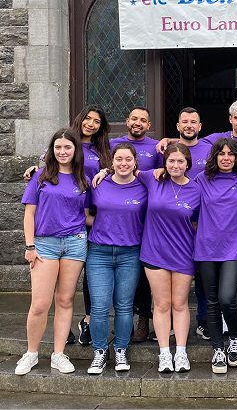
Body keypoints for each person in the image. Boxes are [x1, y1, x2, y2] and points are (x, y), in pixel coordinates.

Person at [24, 105, 111, 346]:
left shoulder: (103, 150)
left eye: (96, 121)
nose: (91, 123)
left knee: (82, 282)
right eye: (87, 118)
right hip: (56, 225)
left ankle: (86, 321)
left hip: (88, 220)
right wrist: (35, 170)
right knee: (46, 293)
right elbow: (44, 167)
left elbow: (115, 171)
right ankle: (48, 339)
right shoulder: (62, 145)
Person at [15, 128, 90, 376]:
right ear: (52, 150)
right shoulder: (41, 176)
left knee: (66, 300)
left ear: (75, 150)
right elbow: (29, 214)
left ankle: (59, 354)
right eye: (58, 147)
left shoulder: (83, 179)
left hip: (75, 242)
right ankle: (32, 353)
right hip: (45, 244)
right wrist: (29, 246)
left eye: (67, 147)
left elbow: (88, 215)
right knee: (40, 303)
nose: (62, 152)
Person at [86, 143, 148, 374]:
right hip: (99, 252)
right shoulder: (99, 184)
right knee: (100, 306)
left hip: (130, 253)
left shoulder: (144, 186)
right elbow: (87, 215)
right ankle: (100, 352)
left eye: (128, 159)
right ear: (111, 162)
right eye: (119, 159)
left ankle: (121, 349)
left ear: (135, 162)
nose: (123, 163)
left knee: (124, 305)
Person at [138, 144, 201, 373]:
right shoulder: (152, 179)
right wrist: (103, 172)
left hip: (184, 252)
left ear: (188, 164)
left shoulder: (196, 189)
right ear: (165, 163)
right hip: (155, 251)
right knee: (162, 304)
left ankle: (181, 352)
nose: (175, 165)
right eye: (171, 161)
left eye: (180, 162)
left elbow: (197, 222)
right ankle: (165, 353)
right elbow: (123, 169)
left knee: (180, 303)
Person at [195, 138, 237, 374]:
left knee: (227, 298)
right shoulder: (202, 180)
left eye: (230, 154)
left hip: (233, 248)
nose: (226, 157)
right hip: (206, 248)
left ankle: (234, 338)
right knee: (212, 300)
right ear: (214, 156)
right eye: (221, 153)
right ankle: (218, 347)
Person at [109, 107, 162, 343]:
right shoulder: (112, 144)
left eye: (143, 120)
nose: (138, 123)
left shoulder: (156, 146)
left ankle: (144, 321)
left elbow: (165, 171)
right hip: (118, 215)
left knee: (143, 274)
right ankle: (124, 321)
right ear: (127, 121)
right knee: (121, 275)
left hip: (147, 216)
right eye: (134, 119)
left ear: (149, 125)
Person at [176, 107, 212, 341]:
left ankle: (203, 319)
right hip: (175, 224)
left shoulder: (210, 148)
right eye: (185, 122)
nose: (189, 126)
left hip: (206, 221)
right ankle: (169, 319)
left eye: (193, 122)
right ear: (178, 126)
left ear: (200, 127)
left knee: (203, 274)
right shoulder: (168, 149)